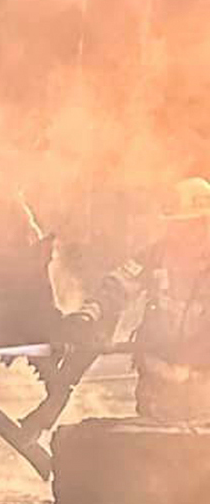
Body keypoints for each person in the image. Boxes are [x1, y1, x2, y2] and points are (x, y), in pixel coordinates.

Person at [65, 175, 210, 423]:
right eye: (178, 226)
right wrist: (88, 315)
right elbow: (118, 285)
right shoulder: (156, 255)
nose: (186, 235)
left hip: (204, 384)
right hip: (158, 383)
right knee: (153, 452)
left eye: (194, 226)